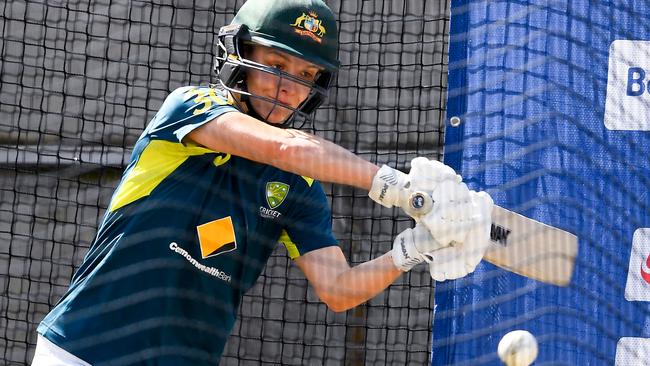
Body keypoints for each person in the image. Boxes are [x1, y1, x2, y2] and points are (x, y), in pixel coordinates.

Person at [33, 0, 493, 364]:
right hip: (83, 349)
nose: (289, 88)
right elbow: (286, 147)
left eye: (306, 76)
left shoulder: (300, 185)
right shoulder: (190, 108)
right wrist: (408, 192)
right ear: (240, 55)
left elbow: (338, 289)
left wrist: (409, 252)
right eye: (277, 64)